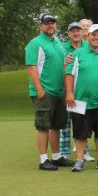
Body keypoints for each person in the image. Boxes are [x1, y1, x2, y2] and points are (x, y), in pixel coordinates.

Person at [64, 24, 98, 172]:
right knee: (80, 133)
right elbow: (69, 74)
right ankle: (79, 160)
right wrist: (69, 93)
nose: (96, 38)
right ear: (87, 36)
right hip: (79, 101)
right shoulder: (78, 54)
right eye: (93, 35)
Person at [26, 13, 70, 170]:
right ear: (41, 26)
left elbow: (63, 66)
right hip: (44, 91)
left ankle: (56, 157)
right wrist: (39, 89)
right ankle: (43, 160)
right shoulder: (35, 43)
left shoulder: (58, 43)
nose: (50, 26)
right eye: (47, 23)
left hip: (58, 91)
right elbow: (31, 67)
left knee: (56, 125)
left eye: (53, 23)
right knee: (43, 126)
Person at [59, 22, 86, 162]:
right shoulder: (62, 48)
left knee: (81, 122)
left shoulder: (88, 46)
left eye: (78, 31)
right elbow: (58, 68)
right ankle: (64, 152)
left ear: (82, 33)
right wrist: (64, 62)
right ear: (68, 34)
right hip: (66, 90)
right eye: (73, 31)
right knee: (66, 122)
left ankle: (84, 151)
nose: (76, 33)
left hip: (81, 90)